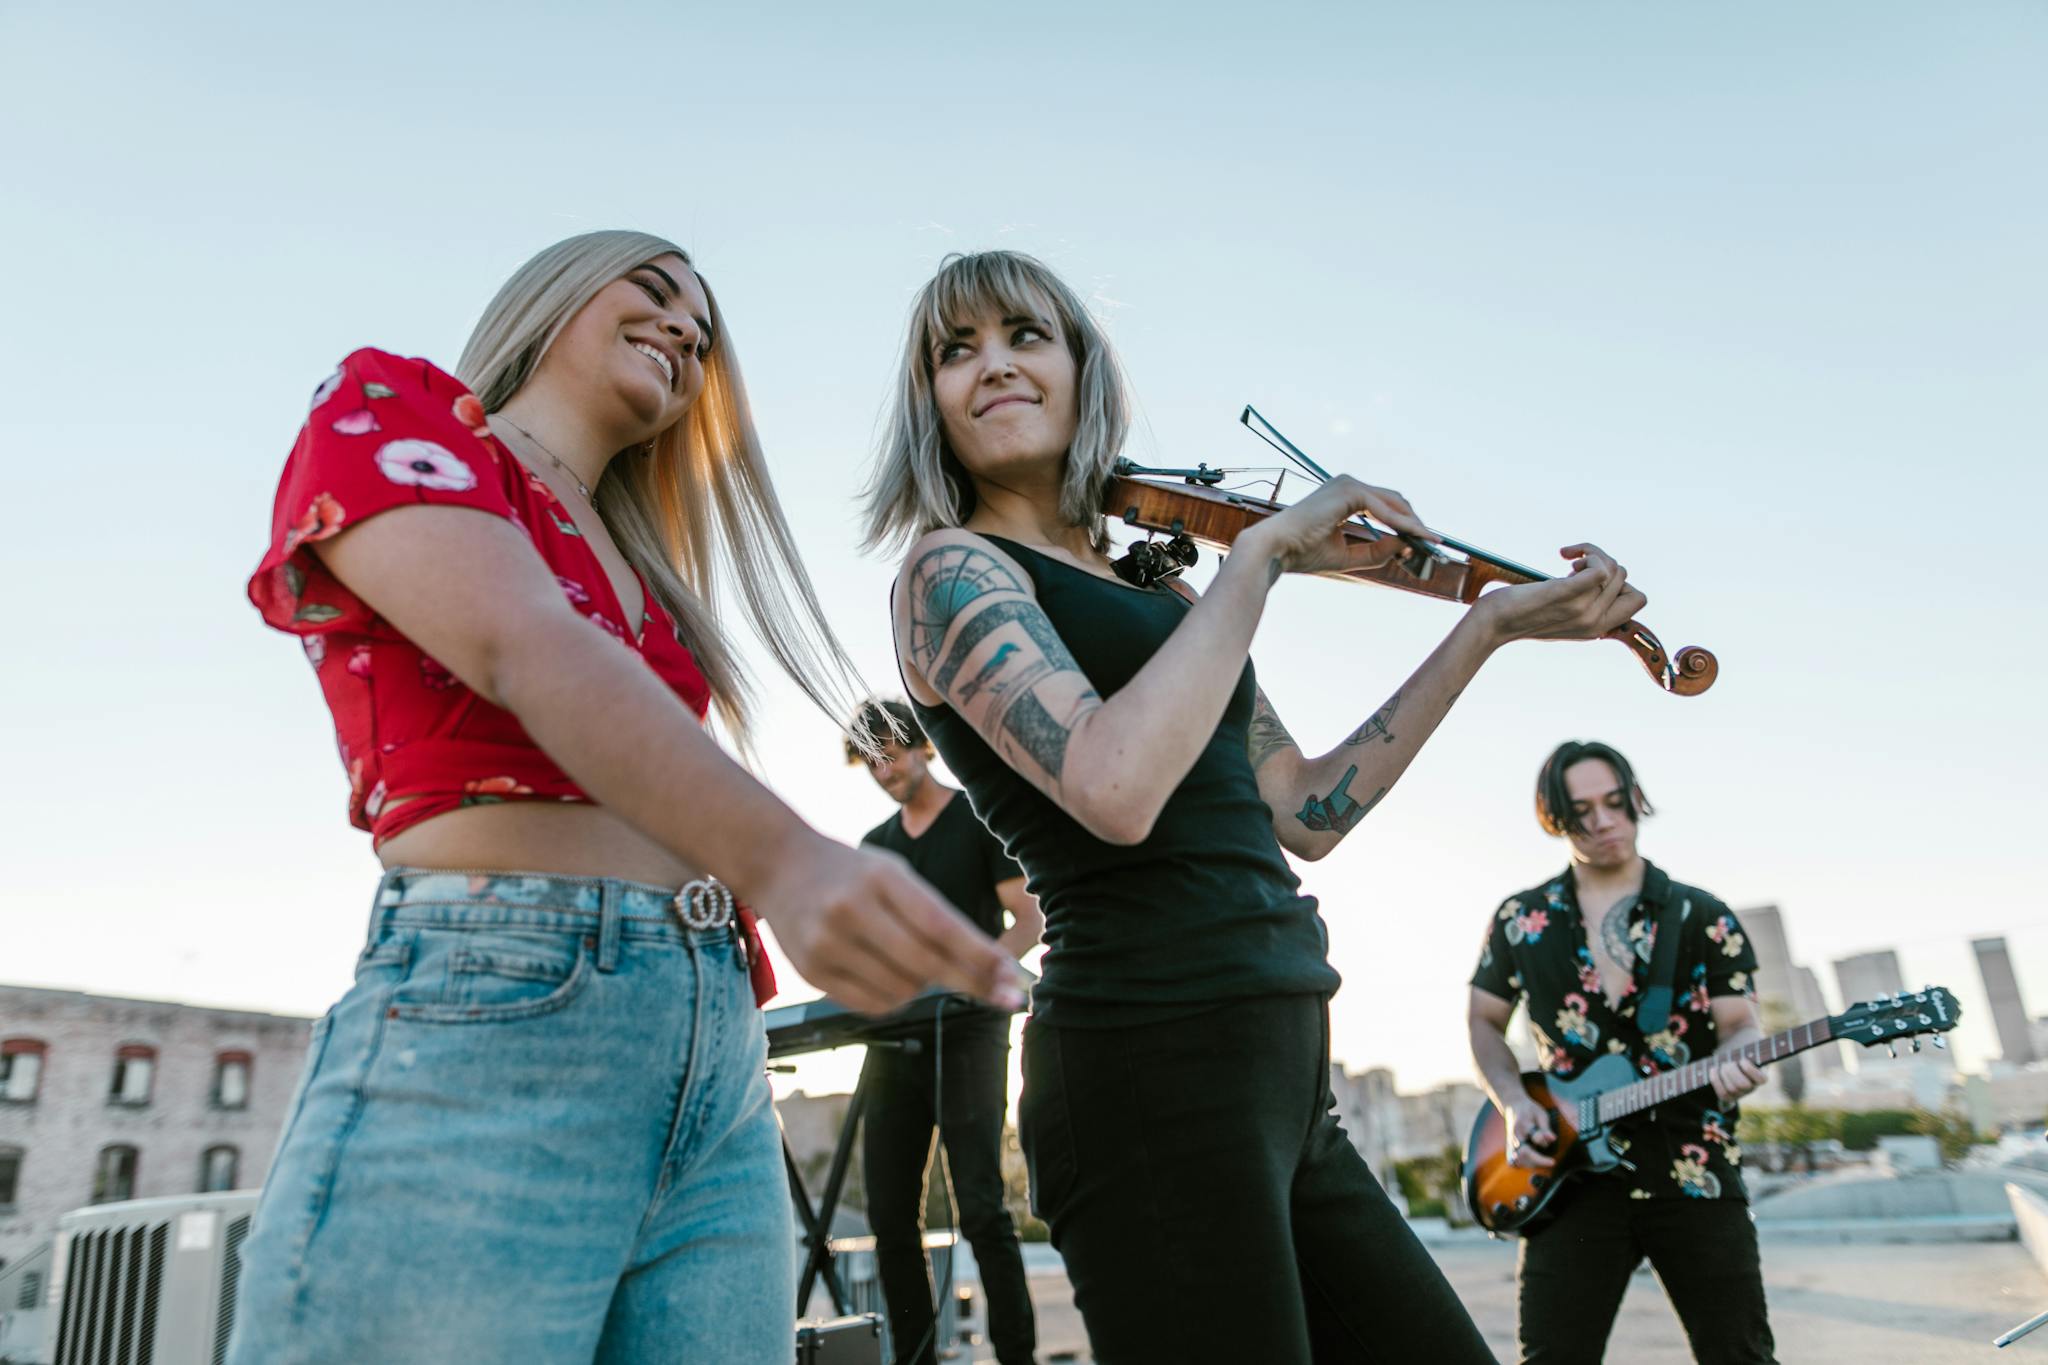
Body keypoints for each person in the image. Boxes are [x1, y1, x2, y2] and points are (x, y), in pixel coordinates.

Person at [230, 230, 1019, 1365]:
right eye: (651, 292)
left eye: (700, 334)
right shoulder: (394, 408)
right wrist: (789, 860)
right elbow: (517, 644)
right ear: (547, 302)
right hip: (502, 1000)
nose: (684, 330)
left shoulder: (654, 587)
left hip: (717, 1050)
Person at [862, 248, 1649, 1364]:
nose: (991, 366)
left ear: (1082, 371)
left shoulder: (1166, 591)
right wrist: (1266, 554)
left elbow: (1305, 807)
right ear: (928, 402)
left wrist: (1484, 627)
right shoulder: (952, 574)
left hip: (1281, 1071)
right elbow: (1113, 787)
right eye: (955, 351)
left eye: (1023, 335)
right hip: (1146, 1074)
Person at [1468, 740, 1775, 1364]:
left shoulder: (1701, 914)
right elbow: (1482, 1021)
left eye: (1615, 802)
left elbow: (1741, 1023)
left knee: (1738, 1356)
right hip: (1569, 1178)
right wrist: (1509, 1103)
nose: (1604, 821)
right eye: (1582, 810)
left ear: (1635, 799)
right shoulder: (1522, 918)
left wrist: (1742, 1059)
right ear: (1554, 818)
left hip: (1693, 1165)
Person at [844, 699, 1042, 1365]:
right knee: (889, 1216)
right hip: (893, 1035)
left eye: (890, 753)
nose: (882, 768)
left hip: (970, 1029)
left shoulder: (976, 814)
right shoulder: (875, 847)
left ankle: (1017, 1354)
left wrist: (976, 971)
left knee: (982, 1204)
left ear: (921, 746)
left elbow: (1026, 918)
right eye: (869, 760)